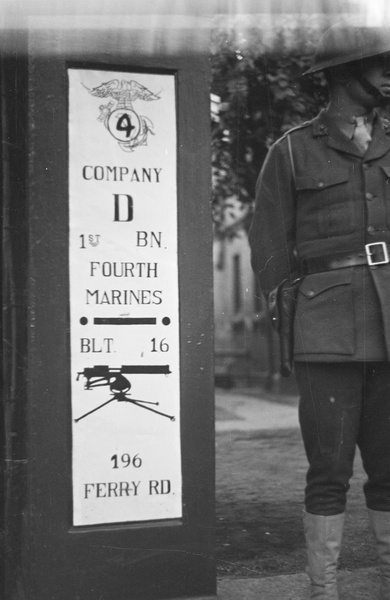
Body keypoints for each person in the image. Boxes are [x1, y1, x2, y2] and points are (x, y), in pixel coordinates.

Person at [249, 21, 390, 600]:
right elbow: (270, 251)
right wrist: (294, 325)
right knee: (328, 471)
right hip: (324, 331)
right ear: (342, 73)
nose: (388, 71)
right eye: (377, 61)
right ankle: (322, 589)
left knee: (389, 468)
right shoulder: (291, 150)